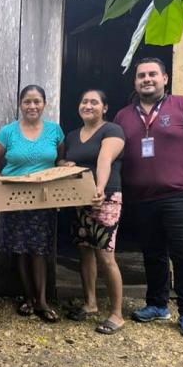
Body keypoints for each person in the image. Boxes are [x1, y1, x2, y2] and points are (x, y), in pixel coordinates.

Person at [114, 57, 183, 339]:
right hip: (141, 198)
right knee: (152, 253)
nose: (147, 79)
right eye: (141, 76)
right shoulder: (123, 116)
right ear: (135, 81)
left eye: (152, 75)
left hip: (180, 195)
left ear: (165, 78)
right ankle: (157, 304)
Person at [0, 85, 64, 322]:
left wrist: (65, 165)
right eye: (27, 102)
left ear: (44, 104)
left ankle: (41, 301)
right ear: (20, 104)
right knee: (20, 250)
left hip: (43, 199)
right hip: (15, 198)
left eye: (37, 101)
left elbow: (60, 159)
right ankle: (28, 297)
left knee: (39, 250)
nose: (32, 106)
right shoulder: (8, 132)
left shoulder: (54, 131)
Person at [59, 90, 125, 334]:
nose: (88, 105)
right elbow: (63, 161)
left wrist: (99, 189)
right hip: (78, 197)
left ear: (104, 108)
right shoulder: (73, 135)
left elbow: (104, 161)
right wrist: (64, 164)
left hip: (104, 197)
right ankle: (90, 304)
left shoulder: (112, 131)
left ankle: (117, 314)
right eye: (84, 101)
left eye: (94, 102)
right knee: (84, 251)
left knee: (106, 255)